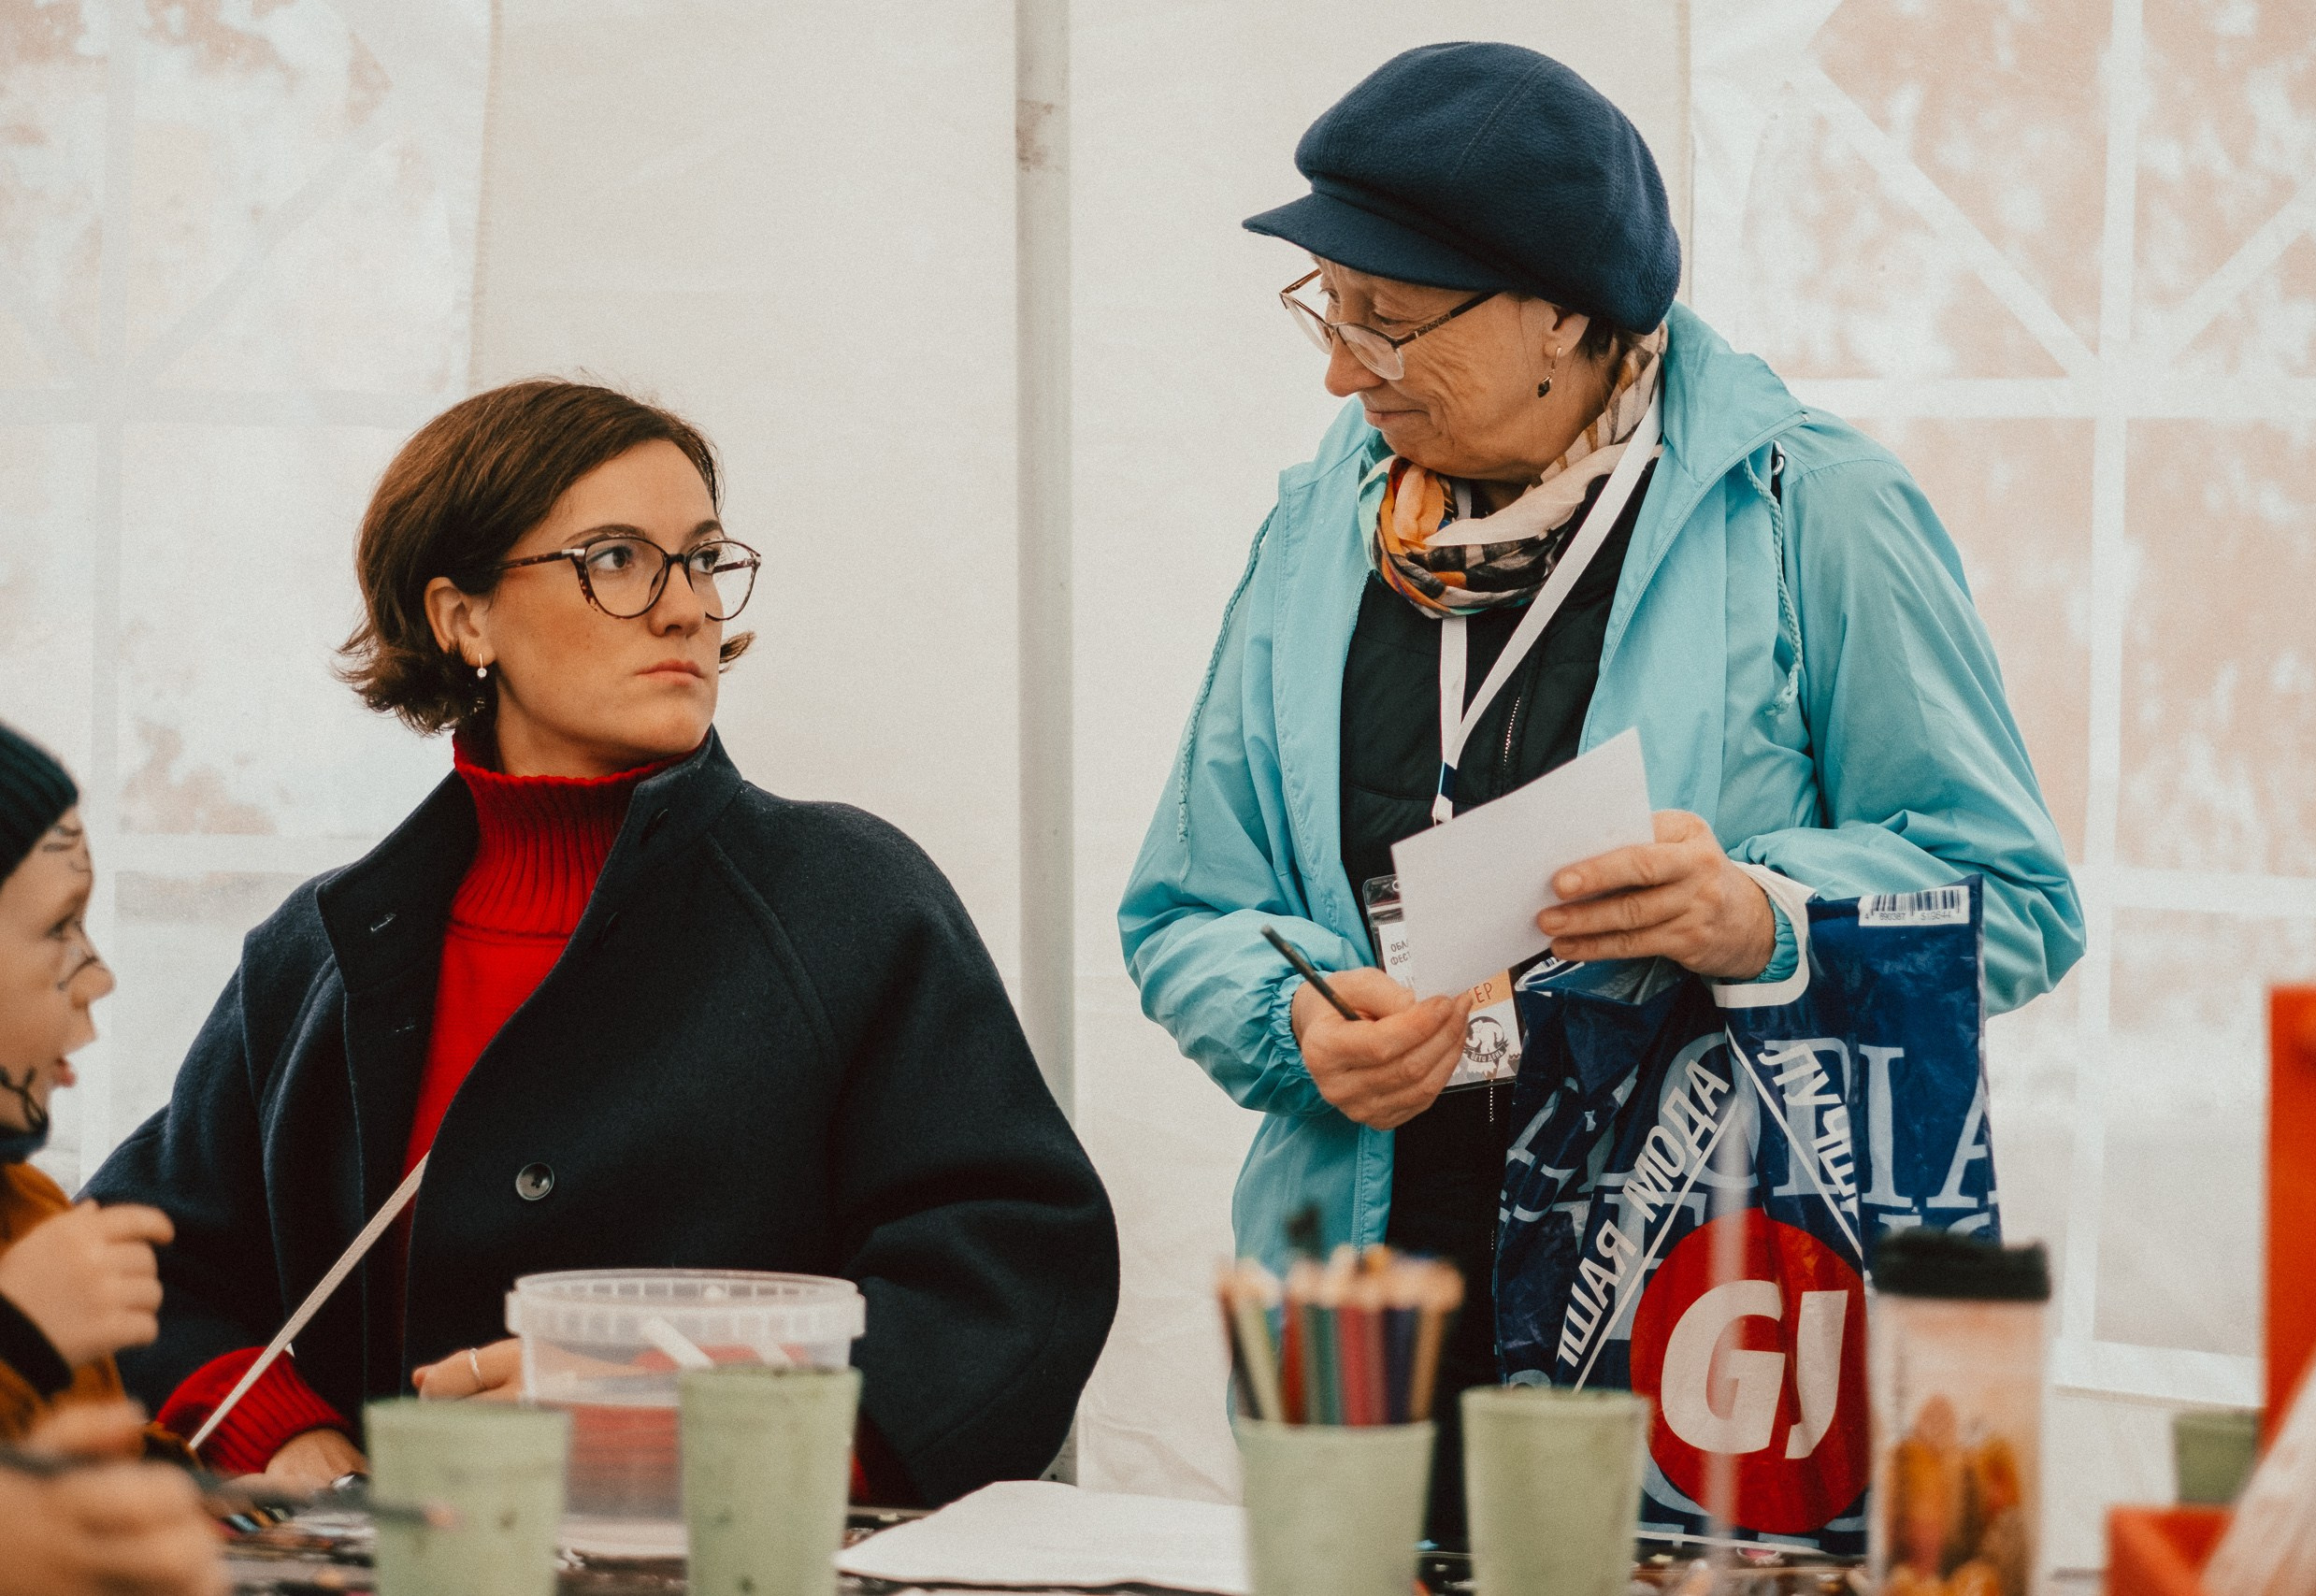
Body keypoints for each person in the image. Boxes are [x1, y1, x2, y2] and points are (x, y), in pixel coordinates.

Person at [1119, 42, 2083, 1541]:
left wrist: (1760, 913)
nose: (1336, 369)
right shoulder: (1323, 524)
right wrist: (1295, 1016)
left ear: (1564, 307)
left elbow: (2015, 902)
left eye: (1388, 321)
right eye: (1330, 308)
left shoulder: (1811, 509)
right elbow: (1188, 906)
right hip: (1371, 1316)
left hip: (1703, 1317)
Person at [89, 380, 1119, 1503]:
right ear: (461, 617)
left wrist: (685, 1434)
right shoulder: (321, 949)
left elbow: (1016, 1275)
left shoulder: (850, 902)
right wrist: (281, 1442)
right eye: (616, 560)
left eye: (703, 559)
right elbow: (132, 1264)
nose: (684, 608)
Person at [0, 723, 225, 1596]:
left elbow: (99, 1463)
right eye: (60, 925)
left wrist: (178, 1489)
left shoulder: (25, 1207)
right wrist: (19, 1335)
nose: (99, 974)